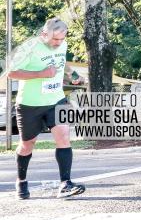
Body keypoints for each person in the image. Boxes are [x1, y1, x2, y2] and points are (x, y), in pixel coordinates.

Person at [9, 18, 85, 199]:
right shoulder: (29, 48)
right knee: (27, 144)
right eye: (54, 40)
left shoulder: (62, 45)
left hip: (56, 100)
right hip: (29, 104)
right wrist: (40, 74)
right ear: (44, 34)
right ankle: (21, 180)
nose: (58, 43)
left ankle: (65, 184)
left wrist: (72, 74)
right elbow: (11, 72)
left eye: (61, 39)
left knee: (64, 136)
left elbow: (61, 62)